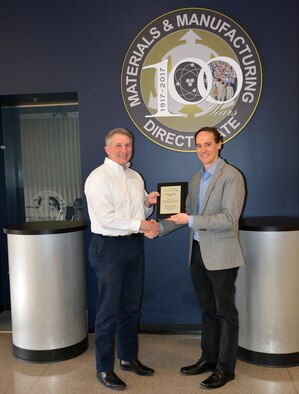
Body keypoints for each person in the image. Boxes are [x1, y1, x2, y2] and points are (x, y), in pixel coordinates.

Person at [146, 126, 245, 389]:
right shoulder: (195, 178)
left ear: (219, 144)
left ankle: (226, 368)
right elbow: (185, 214)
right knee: (207, 311)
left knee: (226, 313)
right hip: (198, 253)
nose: (202, 150)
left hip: (221, 255)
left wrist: (190, 219)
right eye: (198, 145)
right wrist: (159, 228)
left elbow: (228, 218)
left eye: (207, 144)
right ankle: (209, 359)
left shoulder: (232, 176)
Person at [85, 127, 160, 391]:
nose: (123, 150)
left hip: (133, 246)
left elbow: (139, 209)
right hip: (109, 248)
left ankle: (128, 358)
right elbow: (106, 219)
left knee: (130, 307)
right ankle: (104, 369)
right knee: (107, 312)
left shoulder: (135, 176)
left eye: (127, 145)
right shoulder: (98, 178)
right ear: (107, 149)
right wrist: (142, 223)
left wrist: (148, 203)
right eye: (118, 145)